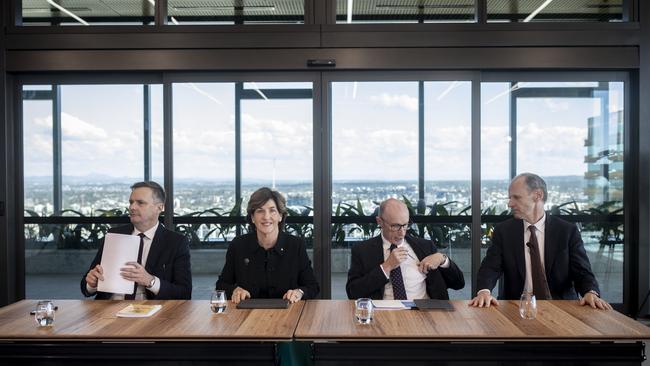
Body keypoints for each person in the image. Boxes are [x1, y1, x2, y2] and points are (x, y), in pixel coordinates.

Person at [469, 173, 611, 310]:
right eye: (510, 198)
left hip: (561, 307)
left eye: (516, 197)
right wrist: (484, 291)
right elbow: (490, 267)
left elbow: (582, 271)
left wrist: (590, 292)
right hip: (516, 307)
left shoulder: (567, 231)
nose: (510, 204)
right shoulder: (504, 231)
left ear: (538, 195)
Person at [81, 181, 192, 300]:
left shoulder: (176, 242)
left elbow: (184, 293)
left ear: (159, 207)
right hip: (109, 310)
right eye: (131, 202)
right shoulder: (114, 235)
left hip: (150, 312)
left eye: (140, 203)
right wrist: (91, 284)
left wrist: (151, 281)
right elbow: (85, 287)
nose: (132, 207)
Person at [215, 187, 319, 304]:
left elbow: (312, 286)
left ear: (280, 216)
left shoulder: (295, 245)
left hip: (287, 315)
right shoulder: (238, 245)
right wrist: (234, 290)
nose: (266, 217)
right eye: (260, 211)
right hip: (247, 315)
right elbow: (221, 285)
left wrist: (299, 292)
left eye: (272, 210)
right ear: (253, 217)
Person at [346, 198, 464, 300]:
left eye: (405, 225)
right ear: (380, 222)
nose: (402, 232)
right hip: (383, 314)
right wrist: (386, 267)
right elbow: (353, 292)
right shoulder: (362, 250)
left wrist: (443, 259)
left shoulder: (425, 246)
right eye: (395, 226)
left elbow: (459, 284)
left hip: (424, 314)